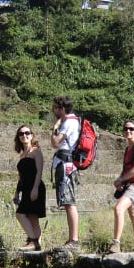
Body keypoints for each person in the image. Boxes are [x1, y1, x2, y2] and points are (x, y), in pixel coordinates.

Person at [109, 120, 134, 253]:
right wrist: (120, 180)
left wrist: (121, 179)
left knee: (118, 208)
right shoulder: (128, 148)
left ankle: (116, 243)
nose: (128, 131)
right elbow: (126, 169)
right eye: (125, 128)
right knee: (133, 214)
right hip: (129, 184)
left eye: (131, 129)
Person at [50, 95, 80, 250]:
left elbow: (55, 143)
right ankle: (72, 239)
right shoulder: (72, 121)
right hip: (66, 163)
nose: (53, 110)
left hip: (66, 165)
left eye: (55, 107)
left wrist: (55, 127)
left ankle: (74, 240)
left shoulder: (68, 122)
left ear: (62, 109)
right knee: (68, 201)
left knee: (69, 202)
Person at [12, 125, 46, 250]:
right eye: (21, 134)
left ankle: (33, 241)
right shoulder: (22, 155)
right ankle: (37, 245)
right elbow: (20, 177)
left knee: (20, 214)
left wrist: (35, 188)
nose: (24, 135)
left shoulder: (36, 151)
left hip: (35, 187)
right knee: (32, 218)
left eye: (27, 133)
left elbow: (39, 171)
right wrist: (16, 193)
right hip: (25, 188)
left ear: (32, 135)